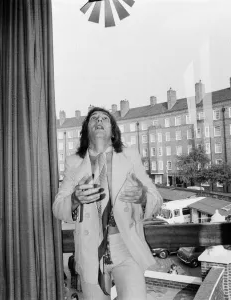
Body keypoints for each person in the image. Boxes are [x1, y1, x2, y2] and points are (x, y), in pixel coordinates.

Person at [53, 107, 163, 300]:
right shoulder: (73, 163)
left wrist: (144, 197)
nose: (99, 120)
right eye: (93, 118)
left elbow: (156, 197)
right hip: (90, 250)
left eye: (105, 118)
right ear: (86, 130)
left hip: (126, 247)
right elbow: (58, 208)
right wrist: (74, 199)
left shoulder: (130, 156)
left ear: (113, 131)